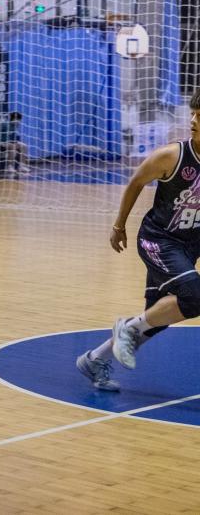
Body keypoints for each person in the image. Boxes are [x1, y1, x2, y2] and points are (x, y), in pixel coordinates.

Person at [77, 88, 200, 392]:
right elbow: (135, 182)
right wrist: (119, 225)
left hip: (189, 245)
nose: (193, 121)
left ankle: (94, 359)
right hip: (158, 239)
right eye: (193, 114)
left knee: (157, 318)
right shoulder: (172, 156)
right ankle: (127, 329)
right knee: (194, 296)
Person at [0, 111, 28, 176]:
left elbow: (12, 137)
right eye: (17, 119)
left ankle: (22, 166)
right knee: (12, 147)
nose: (18, 121)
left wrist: (15, 142)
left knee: (24, 146)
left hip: (9, 142)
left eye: (19, 120)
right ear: (12, 119)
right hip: (0, 142)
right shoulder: (5, 124)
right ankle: (9, 166)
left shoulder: (14, 126)